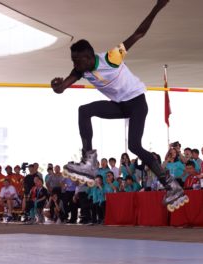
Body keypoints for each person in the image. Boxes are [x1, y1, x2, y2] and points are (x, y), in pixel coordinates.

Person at [51, 0, 187, 210]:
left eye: (77, 61)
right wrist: (57, 85)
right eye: (73, 61)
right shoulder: (81, 71)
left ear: (88, 57)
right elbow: (62, 89)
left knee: (134, 145)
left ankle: (171, 184)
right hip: (120, 106)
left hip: (137, 103)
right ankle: (88, 162)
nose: (74, 65)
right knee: (84, 110)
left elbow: (139, 33)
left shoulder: (111, 57)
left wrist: (158, 6)